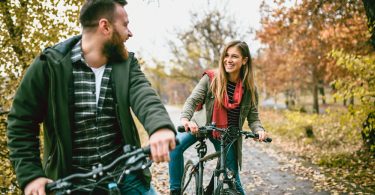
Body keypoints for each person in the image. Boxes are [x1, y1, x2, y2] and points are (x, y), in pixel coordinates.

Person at [7, 0, 176, 194]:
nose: (130, 33)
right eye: (125, 25)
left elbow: (144, 95)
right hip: (70, 182)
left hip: (125, 175)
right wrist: (31, 175)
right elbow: (21, 122)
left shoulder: (127, 64)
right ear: (105, 26)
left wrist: (160, 127)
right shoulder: (49, 65)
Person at [169, 40, 267, 195]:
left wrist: (259, 130)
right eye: (226, 55)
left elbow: (253, 117)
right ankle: (175, 191)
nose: (228, 60)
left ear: (244, 60)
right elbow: (192, 100)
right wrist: (185, 120)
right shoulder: (211, 78)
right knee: (174, 147)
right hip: (201, 126)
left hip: (227, 134)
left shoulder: (249, 88)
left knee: (233, 179)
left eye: (234, 56)